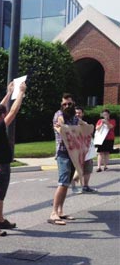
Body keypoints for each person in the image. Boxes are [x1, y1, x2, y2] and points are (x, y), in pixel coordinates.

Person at [0, 80, 26, 236]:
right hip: (0, 167)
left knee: (0, 195)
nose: (6, 114)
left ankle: (0, 220)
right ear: (2, 115)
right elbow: (13, 112)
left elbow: (2, 107)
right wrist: (21, 93)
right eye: (4, 113)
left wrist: (9, 93)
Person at [48, 94, 79, 226]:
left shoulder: (74, 117)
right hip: (63, 153)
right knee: (63, 181)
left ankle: (60, 211)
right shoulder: (59, 114)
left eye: (69, 104)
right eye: (64, 104)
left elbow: (80, 129)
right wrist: (62, 125)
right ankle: (53, 213)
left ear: (73, 104)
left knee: (66, 183)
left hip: (73, 153)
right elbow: (60, 124)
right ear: (61, 105)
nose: (67, 106)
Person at [71, 107, 97, 193]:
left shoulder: (85, 124)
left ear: (82, 114)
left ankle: (86, 186)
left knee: (88, 169)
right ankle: (74, 186)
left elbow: (90, 132)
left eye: (79, 113)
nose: (77, 114)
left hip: (87, 150)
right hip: (77, 151)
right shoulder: (71, 124)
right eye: (76, 113)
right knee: (77, 169)